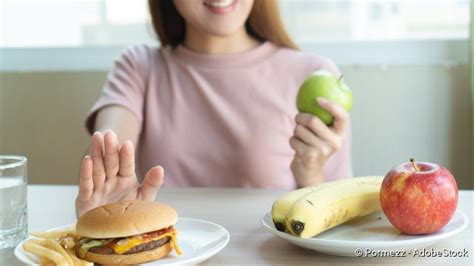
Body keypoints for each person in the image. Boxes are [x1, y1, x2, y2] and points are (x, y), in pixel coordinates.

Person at [75, 0, 352, 217]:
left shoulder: (315, 73)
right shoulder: (139, 67)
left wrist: (310, 174)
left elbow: (338, 216)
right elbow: (108, 153)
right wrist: (107, 197)